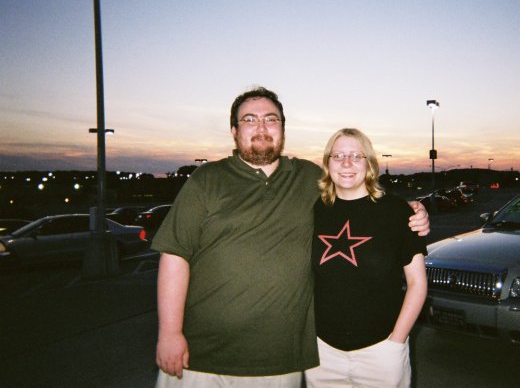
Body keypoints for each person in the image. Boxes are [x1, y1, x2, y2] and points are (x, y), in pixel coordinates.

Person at [153, 87, 430, 387]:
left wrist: (412, 209)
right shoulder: (206, 180)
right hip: (202, 356)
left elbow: (358, 193)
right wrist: (170, 332)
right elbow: (174, 254)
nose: (261, 127)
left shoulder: (307, 178)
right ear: (234, 131)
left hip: (281, 360)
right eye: (249, 119)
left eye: (271, 119)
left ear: (283, 129)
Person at [305, 128, 428, 388]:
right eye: (338, 155)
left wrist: (396, 341)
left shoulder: (396, 211)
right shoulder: (313, 211)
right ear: (327, 164)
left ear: (369, 164)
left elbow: (417, 283)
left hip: (381, 351)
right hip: (322, 353)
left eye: (356, 155)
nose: (346, 163)